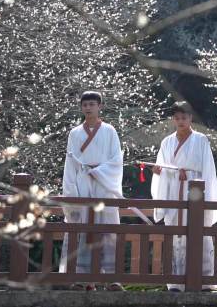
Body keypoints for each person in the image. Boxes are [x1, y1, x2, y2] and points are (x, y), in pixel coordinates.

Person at [150, 101, 217, 292]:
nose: (181, 121)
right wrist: (159, 171)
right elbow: (163, 167)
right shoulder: (167, 142)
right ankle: (176, 282)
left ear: (191, 118)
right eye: (177, 117)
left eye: (185, 117)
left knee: (200, 234)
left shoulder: (201, 140)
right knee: (176, 236)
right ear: (173, 119)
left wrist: (202, 193)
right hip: (174, 190)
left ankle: (205, 281)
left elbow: (207, 170)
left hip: (196, 190)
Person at [60, 91, 124, 291]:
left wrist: (99, 171)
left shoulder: (109, 131)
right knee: (83, 228)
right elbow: (70, 163)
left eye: (92, 104)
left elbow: (116, 160)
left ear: (100, 107)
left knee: (107, 229)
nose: (88, 108)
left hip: (103, 183)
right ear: (81, 108)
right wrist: (70, 190)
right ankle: (81, 278)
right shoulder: (75, 133)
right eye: (85, 104)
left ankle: (112, 279)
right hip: (82, 182)